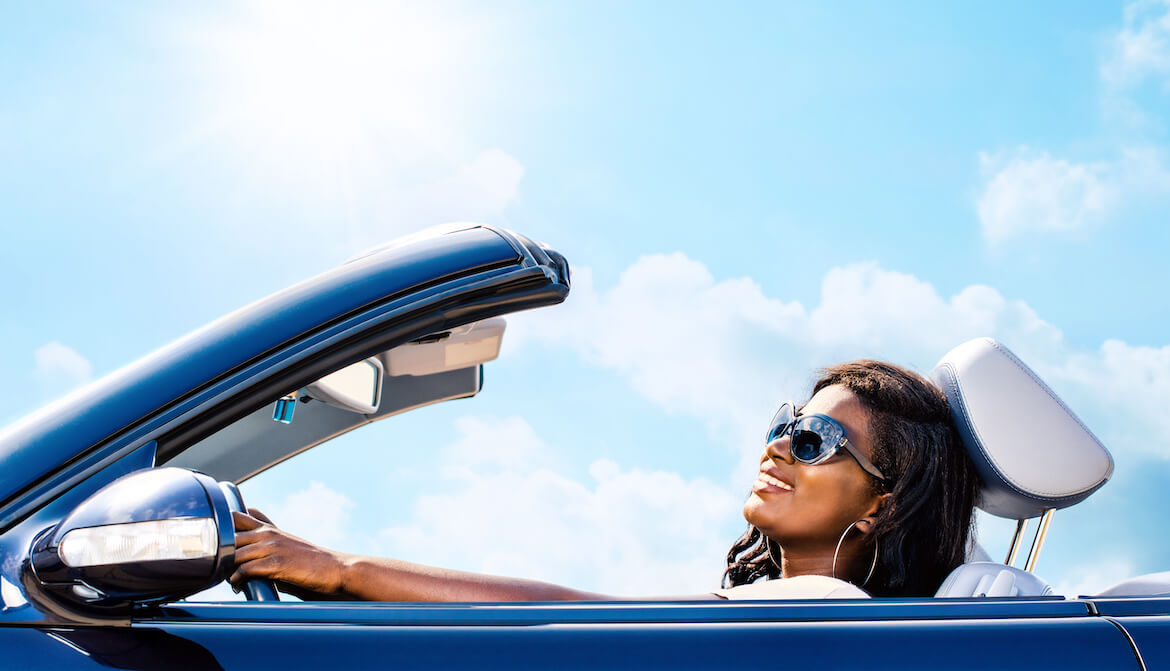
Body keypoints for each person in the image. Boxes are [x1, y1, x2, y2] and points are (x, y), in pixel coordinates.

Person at [230, 360, 979, 601]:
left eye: (815, 440)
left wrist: (342, 569)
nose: (778, 447)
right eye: (785, 423)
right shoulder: (788, 616)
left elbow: (577, 614)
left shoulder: (820, 614)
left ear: (882, 503)